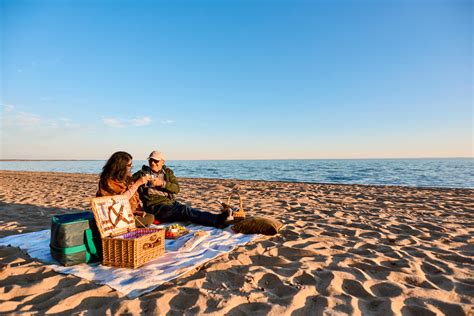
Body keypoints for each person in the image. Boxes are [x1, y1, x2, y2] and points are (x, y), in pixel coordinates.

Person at [133, 150, 232, 228]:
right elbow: (127, 185)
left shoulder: (167, 173)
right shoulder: (141, 174)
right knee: (184, 210)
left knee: (187, 210)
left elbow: (176, 189)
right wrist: (140, 182)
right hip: (155, 207)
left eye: (156, 161)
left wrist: (162, 183)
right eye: (150, 160)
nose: (152, 163)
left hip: (170, 203)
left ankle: (217, 219)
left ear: (162, 162)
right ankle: (218, 221)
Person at [96, 151, 155, 228]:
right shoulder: (108, 181)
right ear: (120, 166)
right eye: (129, 165)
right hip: (114, 216)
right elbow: (119, 201)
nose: (131, 167)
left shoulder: (125, 178)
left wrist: (137, 212)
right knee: (149, 219)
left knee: (150, 216)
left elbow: (131, 201)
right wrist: (137, 184)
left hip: (125, 212)